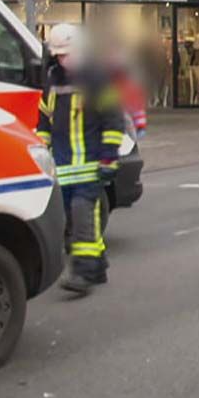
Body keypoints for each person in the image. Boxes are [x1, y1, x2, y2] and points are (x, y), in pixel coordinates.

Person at [37, 23, 125, 295]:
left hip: (89, 165)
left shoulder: (97, 78)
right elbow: (44, 119)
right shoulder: (54, 80)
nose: (63, 60)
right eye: (59, 55)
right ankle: (96, 267)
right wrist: (42, 149)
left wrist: (109, 158)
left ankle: (82, 274)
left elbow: (113, 119)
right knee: (72, 222)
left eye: (67, 54)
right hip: (63, 167)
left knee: (82, 219)